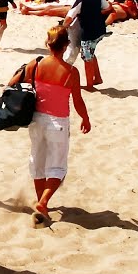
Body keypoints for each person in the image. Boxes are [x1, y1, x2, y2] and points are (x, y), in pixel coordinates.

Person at [28, 25, 92, 225]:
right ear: (66, 45)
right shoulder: (71, 72)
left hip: (36, 119)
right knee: (57, 167)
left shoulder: (35, 64)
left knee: (38, 163)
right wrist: (85, 118)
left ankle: (42, 204)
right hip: (57, 122)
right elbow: (78, 100)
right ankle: (43, 202)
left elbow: (15, 84)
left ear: (48, 43)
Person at [63, 0, 110, 91]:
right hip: (100, 30)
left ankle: (90, 86)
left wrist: (62, 28)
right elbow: (108, 8)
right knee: (90, 52)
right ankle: (97, 78)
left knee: (87, 57)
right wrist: (96, 14)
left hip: (89, 32)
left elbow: (69, 17)